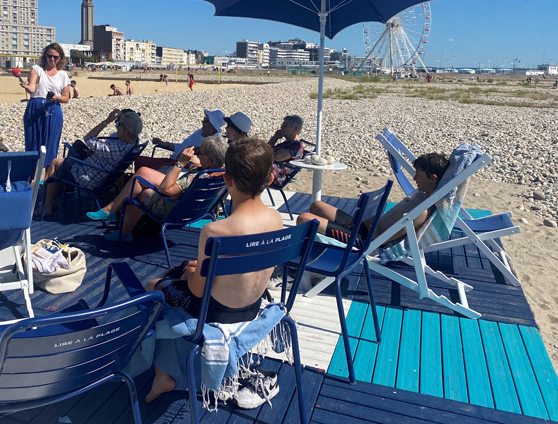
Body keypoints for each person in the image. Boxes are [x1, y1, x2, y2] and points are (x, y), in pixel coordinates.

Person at [143, 138, 283, 403]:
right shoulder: (276, 219)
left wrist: (187, 275)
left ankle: (162, 373)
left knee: (154, 286)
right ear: (269, 179)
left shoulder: (216, 231)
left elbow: (196, 291)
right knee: (185, 273)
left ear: (227, 180)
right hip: (251, 306)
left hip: (214, 311)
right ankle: (169, 369)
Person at [87, 135, 228, 241]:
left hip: (173, 211)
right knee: (142, 173)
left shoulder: (196, 178)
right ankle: (117, 218)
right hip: (195, 210)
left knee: (137, 190)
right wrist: (200, 165)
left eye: (199, 153)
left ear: (209, 160)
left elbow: (165, 190)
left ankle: (116, 217)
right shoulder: (222, 173)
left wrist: (180, 163)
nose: (196, 155)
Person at [297, 152, 450, 247]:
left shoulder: (422, 212)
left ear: (433, 178)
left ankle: (297, 268)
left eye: (419, 174)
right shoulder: (421, 196)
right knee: (317, 205)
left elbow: (384, 239)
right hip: (365, 227)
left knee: (305, 219)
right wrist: (365, 222)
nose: (414, 178)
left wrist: (368, 226)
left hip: (365, 239)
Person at [42, 109, 142, 217]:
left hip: (89, 176)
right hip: (101, 176)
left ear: (127, 130)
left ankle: (46, 206)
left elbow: (88, 138)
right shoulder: (134, 145)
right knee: (64, 164)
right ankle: (51, 201)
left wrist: (106, 121)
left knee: (55, 163)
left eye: (118, 124)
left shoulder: (116, 149)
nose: (116, 126)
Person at [19, 43, 72, 165]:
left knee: (50, 146)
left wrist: (55, 97)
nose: (52, 59)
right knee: (32, 143)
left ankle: (48, 179)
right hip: (35, 107)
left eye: (55, 57)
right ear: (45, 56)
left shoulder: (63, 75)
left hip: (53, 109)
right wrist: (27, 87)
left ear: (60, 58)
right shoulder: (37, 69)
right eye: (49, 56)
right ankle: (31, 177)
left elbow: (66, 97)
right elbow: (32, 88)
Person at [136, 109, 225, 171]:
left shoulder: (212, 142)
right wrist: (164, 144)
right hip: (173, 160)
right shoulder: (200, 132)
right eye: (204, 119)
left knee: (146, 168)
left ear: (213, 126)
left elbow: (207, 164)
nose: (203, 122)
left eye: (206, 121)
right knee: (139, 160)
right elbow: (183, 146)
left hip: (181, 165)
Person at [268, 115, 305, 186]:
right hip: (269, 171)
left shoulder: (295, 146)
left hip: (274, 176)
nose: (281, 127)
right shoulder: (288, 143)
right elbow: (266, 151)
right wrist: (274, 138)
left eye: (285, 125)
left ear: (295, 129)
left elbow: (273, 157)